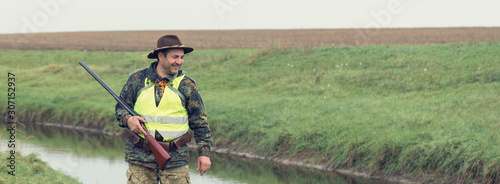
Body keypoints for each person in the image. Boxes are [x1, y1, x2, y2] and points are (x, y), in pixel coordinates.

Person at [115, 35, 213, 184]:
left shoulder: (187, 85)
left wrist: (204, 154)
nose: (179, 62)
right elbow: (120, 109)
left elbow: (200, 122)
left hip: (175, 158)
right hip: (139, 158)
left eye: (181, 57)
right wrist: (128, 120)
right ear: (161, 56)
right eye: (175, 57)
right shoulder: (137, 79)